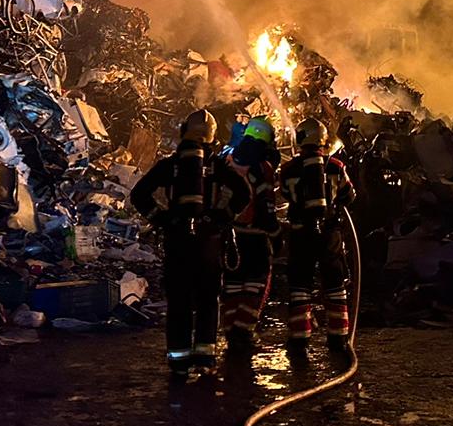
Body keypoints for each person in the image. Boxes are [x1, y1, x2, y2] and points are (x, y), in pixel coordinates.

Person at [132, 109, 249, 376]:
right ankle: (205, 359)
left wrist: (163, 219)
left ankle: (178, 361)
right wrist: (220, 217)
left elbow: (139, 195)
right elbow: (243, 192)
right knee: (208, 299)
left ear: (184, 132)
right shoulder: (217, 166)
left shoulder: (170, 165)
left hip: (178, 241)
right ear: (211, 137)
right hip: (209, 242)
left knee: (179, 300)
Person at [277, 117, 356, 351]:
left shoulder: (288, 168)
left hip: (301, 233)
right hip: (330, 234)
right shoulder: (336, 166)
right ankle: (338, 337)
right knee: (335, 283)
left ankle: (299, 338)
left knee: (300, 284)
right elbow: (349, 195)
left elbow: (285, 193)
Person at [222, 116, 281, 352]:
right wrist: (276, 234)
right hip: (255, 234)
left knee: (233, 282)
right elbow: (266, 205)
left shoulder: (228, 160)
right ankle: (243, 331)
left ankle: (230, 330)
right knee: (257, 281)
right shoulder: (262, 167)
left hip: (230, 234)